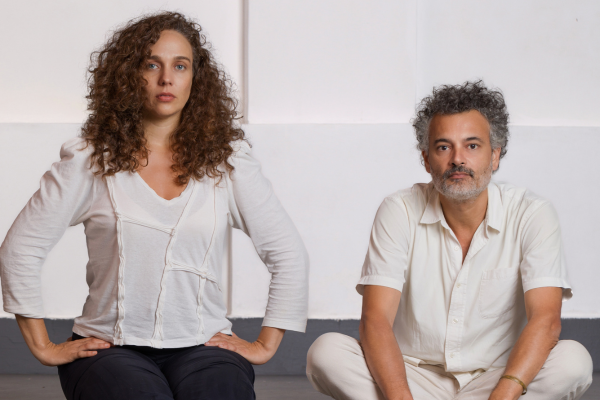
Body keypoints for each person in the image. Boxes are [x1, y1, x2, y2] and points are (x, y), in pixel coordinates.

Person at [0, 12, 308, 400]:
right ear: (128, 75)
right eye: (151, 65)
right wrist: (42, 346)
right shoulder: (90, 161)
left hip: (205, 346)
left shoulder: (227, 162)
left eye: (180, 66)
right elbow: (20, 250)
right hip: (108, 348)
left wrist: (266, 344)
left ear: (195, 78)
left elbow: (288, 254)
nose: (166, 78)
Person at [306, 81, 592, 400]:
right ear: (426, 159)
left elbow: (546, 321)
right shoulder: (399, 210)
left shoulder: (532, 213)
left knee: (573, 362)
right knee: (326, 352)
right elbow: (375, 320)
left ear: (495, 156)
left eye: (472, 146)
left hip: (497, 378)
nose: (458, 159)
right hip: (412, 375)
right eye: (444, 147)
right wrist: (400, 395)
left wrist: (503, 394)